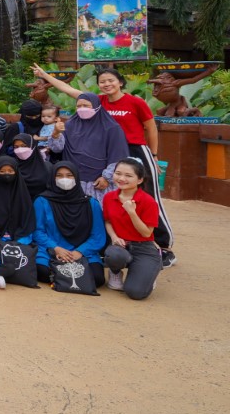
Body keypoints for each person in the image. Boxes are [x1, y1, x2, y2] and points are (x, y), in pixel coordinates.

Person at [34, 65, 173, 266]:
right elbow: (67, 90)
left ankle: (162, 245)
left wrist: (154, 154)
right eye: (102, 82)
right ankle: (116, 244)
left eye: (111, 81)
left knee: (148, 199)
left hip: (134, 150)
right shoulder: (97, 101)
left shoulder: (135, 102)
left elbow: (151, 127)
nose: (107, 84)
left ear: (121, 82)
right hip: (101, 151)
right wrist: (44, 75)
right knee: (116, 202)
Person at [33, 161, 106, 288]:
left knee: (98, 278)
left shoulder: (91, 203)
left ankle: (60, 279)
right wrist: (56, 248)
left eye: (69, 175)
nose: (64, 179)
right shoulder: (42, 201)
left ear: (76, 178)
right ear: (52, 178)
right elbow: (38, 231)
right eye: (59, 175)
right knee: (41, 272)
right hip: (51, 250)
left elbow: (98, 235)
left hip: (83, 251)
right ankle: (74, 280)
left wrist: (79, 251)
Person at [45, 93, 130, 199]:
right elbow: (57, 149)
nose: (82, 109)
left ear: (96, 106)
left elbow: (118, 155)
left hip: (98, 183)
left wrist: (107, 178)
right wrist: (55, 133)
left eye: (86, 106)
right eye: (79, 106)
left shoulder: (111, 128)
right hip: (72, 180)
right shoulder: (70, 124)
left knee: (96, 211)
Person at [102, 158, 162, 300]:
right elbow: (108, 221)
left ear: (140, 180)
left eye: (128, 176)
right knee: (114, 255)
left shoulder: (148, 202)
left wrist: (132, 212)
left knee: (136, 293)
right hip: (121, 245)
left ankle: (148, 273)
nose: (121, 178)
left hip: (144, 247)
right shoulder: (109, 197)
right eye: (118, 173)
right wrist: (114, 237)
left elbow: (147, 232)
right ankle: (115, 272)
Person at [0, 156, 36, 245]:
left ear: (16, 172)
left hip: (20, 242)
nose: (7, 174)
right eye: (2, 171)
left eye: (10, 171)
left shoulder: (23, 195)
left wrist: (19, 243)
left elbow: (28, 224)